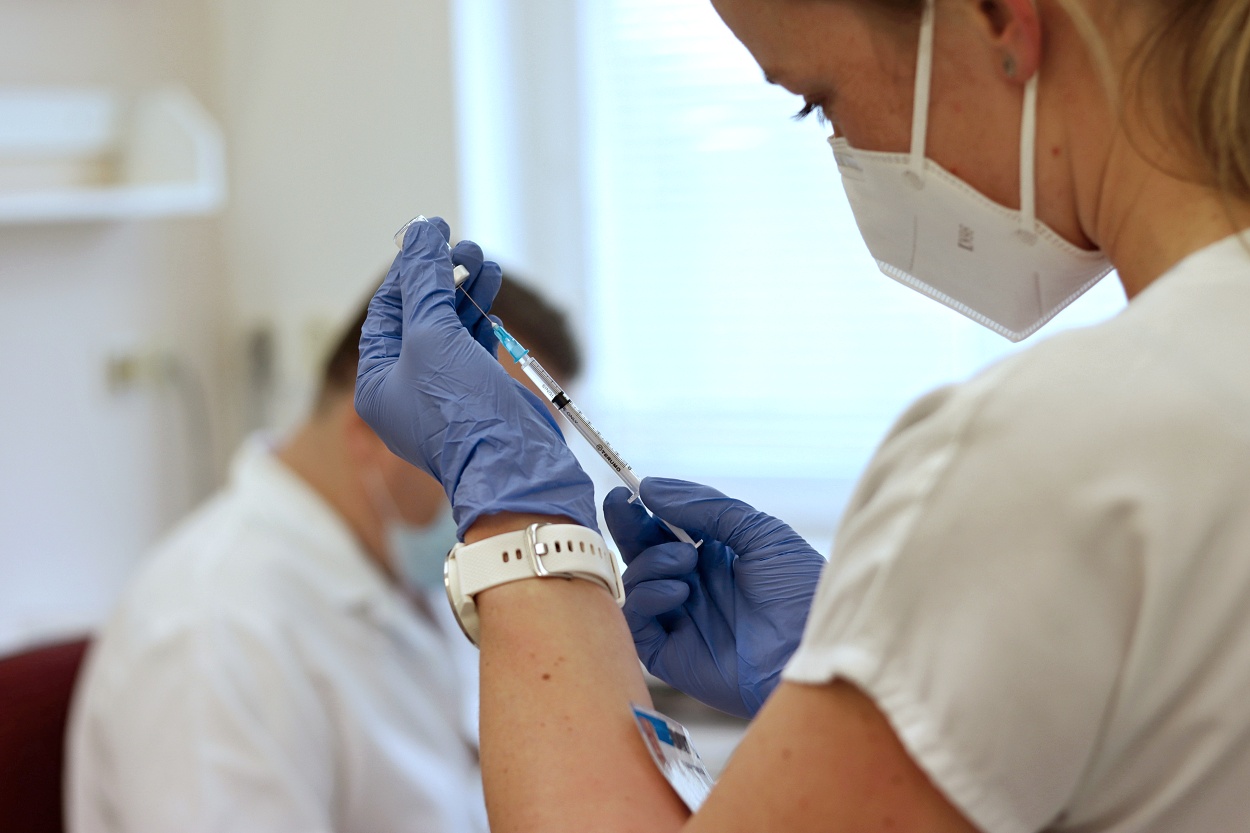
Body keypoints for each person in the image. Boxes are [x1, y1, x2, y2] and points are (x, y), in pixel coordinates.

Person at [353, 0, 1250, 830]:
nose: (844, 149)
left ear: (997, 20)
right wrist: (856, 670)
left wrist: (519, 513)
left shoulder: (1049, 449)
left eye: (818, 101)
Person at [66, 265, 583, 833]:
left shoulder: (404, 569)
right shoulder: (216, 628)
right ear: (381, 419)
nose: (514, 490)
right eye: (492, 452)